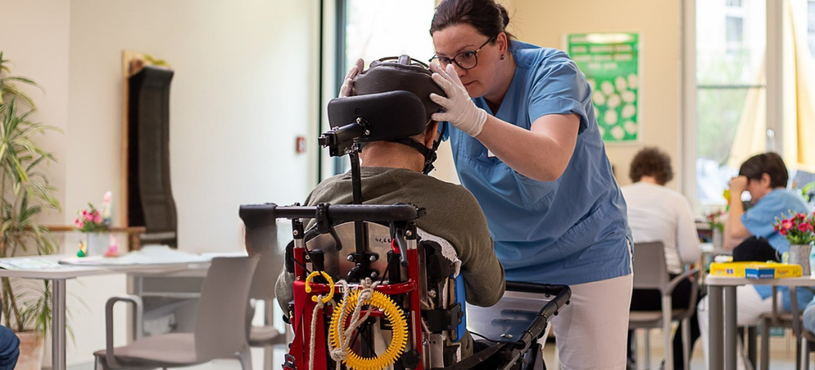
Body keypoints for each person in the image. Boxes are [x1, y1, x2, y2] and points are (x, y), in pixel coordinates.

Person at [336, 0, 632, 368]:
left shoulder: (553, 73)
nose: (455, 70)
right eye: (443, 58)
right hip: (502, 262)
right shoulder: (446, 82)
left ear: (501, 44)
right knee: (490, 364)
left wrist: (474, 120)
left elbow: (550, 161)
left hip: (586, 250)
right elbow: (399, 146)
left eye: (467, 55)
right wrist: (359, 111)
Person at [275, 55, 506, 359]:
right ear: (431, 133)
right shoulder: (457, 205)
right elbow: (489, 294)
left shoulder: (322, 196)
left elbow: (285, 295)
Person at [698, 152, 813, 368]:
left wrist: (734, 193)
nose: (748, 194)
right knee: (720, 304)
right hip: (795, 288)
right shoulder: (790, 198)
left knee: (708, 307)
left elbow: (732, 236)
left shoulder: (777, 199)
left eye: (748, 186)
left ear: (765, 180)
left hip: (788, 291)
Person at [621, 147, 701, 369]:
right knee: (703, 300)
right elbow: (691, 254)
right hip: (665, 294)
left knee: (623, 283)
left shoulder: (618, 194)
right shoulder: (676, 200)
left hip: (623, 294)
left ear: (635, 171)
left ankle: (625, 359)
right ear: (665, 173)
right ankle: (675, 364)